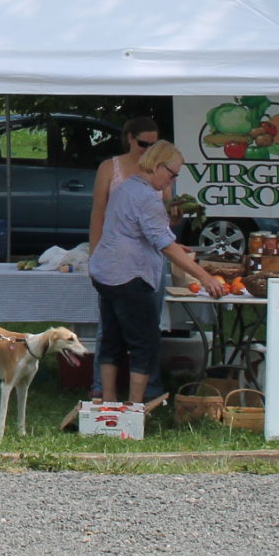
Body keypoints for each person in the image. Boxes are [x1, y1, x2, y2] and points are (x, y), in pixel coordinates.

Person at [87, 139, 223, 407]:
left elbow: (134, 230)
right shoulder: (149, 197)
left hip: (106, 273)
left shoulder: (125, 188)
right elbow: (165, 245)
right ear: (158, 166)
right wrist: (205, 277)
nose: (172, 181)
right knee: (144, 344)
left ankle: (108, 401)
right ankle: (136, 406)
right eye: (172, 175)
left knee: (112, 340)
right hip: (130, 276)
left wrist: (171, 244)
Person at [89, 115, 177, 250]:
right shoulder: (108, 167)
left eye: (153, 145)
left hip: (150, 248)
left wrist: (177, 213)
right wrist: (94, 253)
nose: (148, 149)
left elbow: (166, 217)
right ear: (130, 138)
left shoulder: (160, 169)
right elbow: (98, 214)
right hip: (116, 248)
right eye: (143, 144)